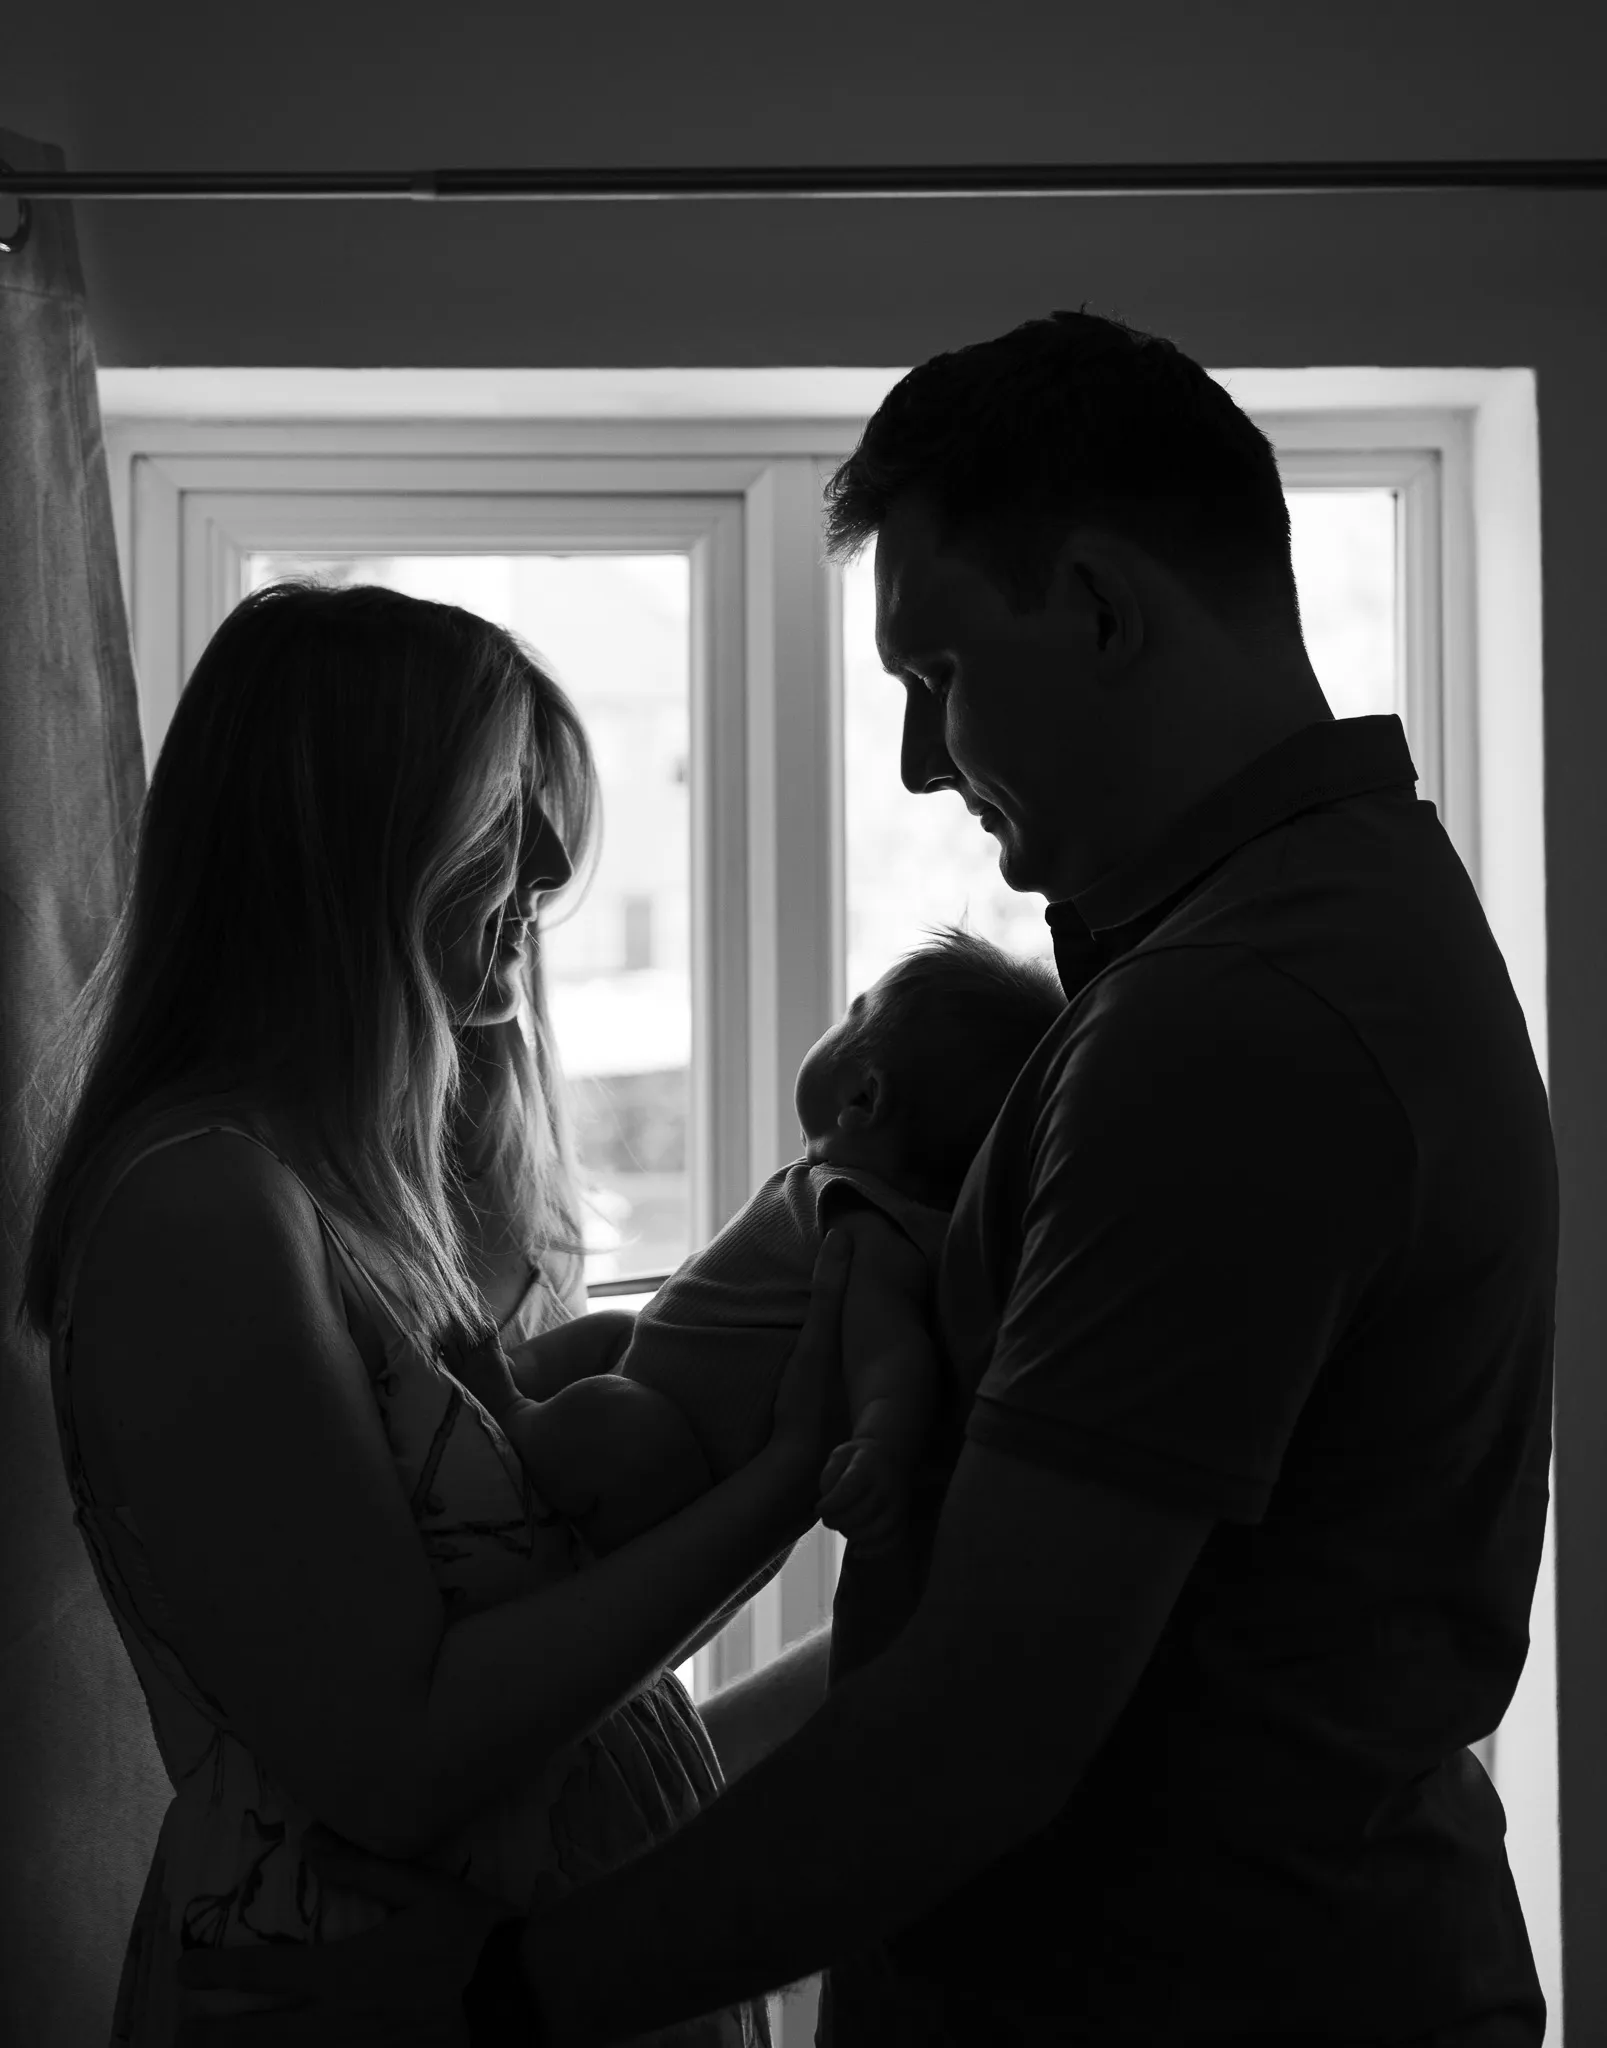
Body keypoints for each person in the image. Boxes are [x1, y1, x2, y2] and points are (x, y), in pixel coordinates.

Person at [177, 306, 1557, 2048]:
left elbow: (990, 1716)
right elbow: (1058, 1636)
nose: (916, 758)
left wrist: (511, 1991)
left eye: (937, 674)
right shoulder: (1282, 947)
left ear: (1106, 611)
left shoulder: (1235, 1021)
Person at [13, 578, 864, 2048]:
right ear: (343, 844)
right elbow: (396, 1756)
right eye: (497, 814)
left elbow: (538, 1688)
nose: (544, 867)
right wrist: (784, 1485)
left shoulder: (346, 1204)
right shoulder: (200, 1210)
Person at [450, 928, 1063, 1572]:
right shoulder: (841, 1198)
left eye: (850, 1017)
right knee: (610, 1332)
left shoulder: (867, 1229)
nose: (830, 1027)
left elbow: (893, 1350)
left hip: (663, 1474)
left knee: (616, 1410)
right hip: (659, 1411)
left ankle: (513, 1415)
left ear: (863, 1098)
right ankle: (513, 1381)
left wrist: (882, 1443)